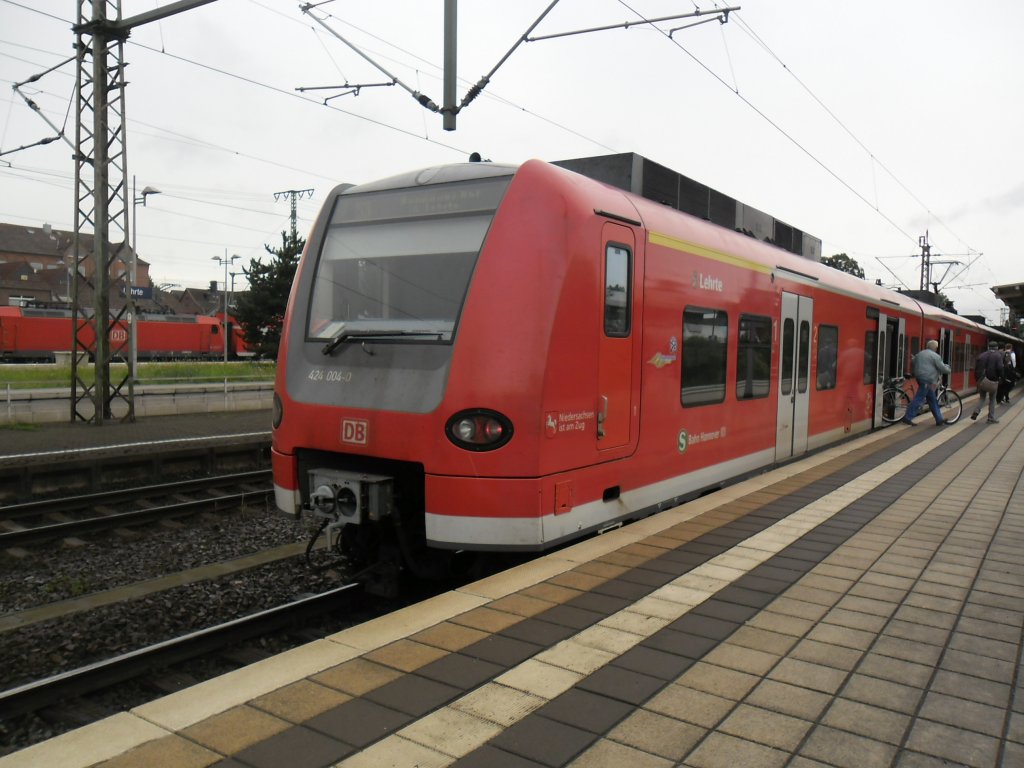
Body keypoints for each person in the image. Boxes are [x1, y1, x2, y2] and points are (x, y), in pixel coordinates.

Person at [901, 339, 952, 426]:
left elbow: (913, 361)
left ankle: (939, 419)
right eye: (936, 347)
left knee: (932, 400)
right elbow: (942, 368)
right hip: (927, 379)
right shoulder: (935, 356)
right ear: (935, 347)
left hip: (919, 378)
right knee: (919, 398)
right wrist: (948, 369)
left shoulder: (920, 354)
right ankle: (907, 417)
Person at [971, 341, 1004, 423]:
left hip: (982, 380)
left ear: (988, 347)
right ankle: (991, 418)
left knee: (982, 397)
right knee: (992, 399)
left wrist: (978, 380)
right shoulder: (998, 356)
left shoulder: (981, 355)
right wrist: (1000, 377)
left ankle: (976, 411)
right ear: (996, 348)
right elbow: (1000, 368)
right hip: (993, 381)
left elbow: (976, 369)